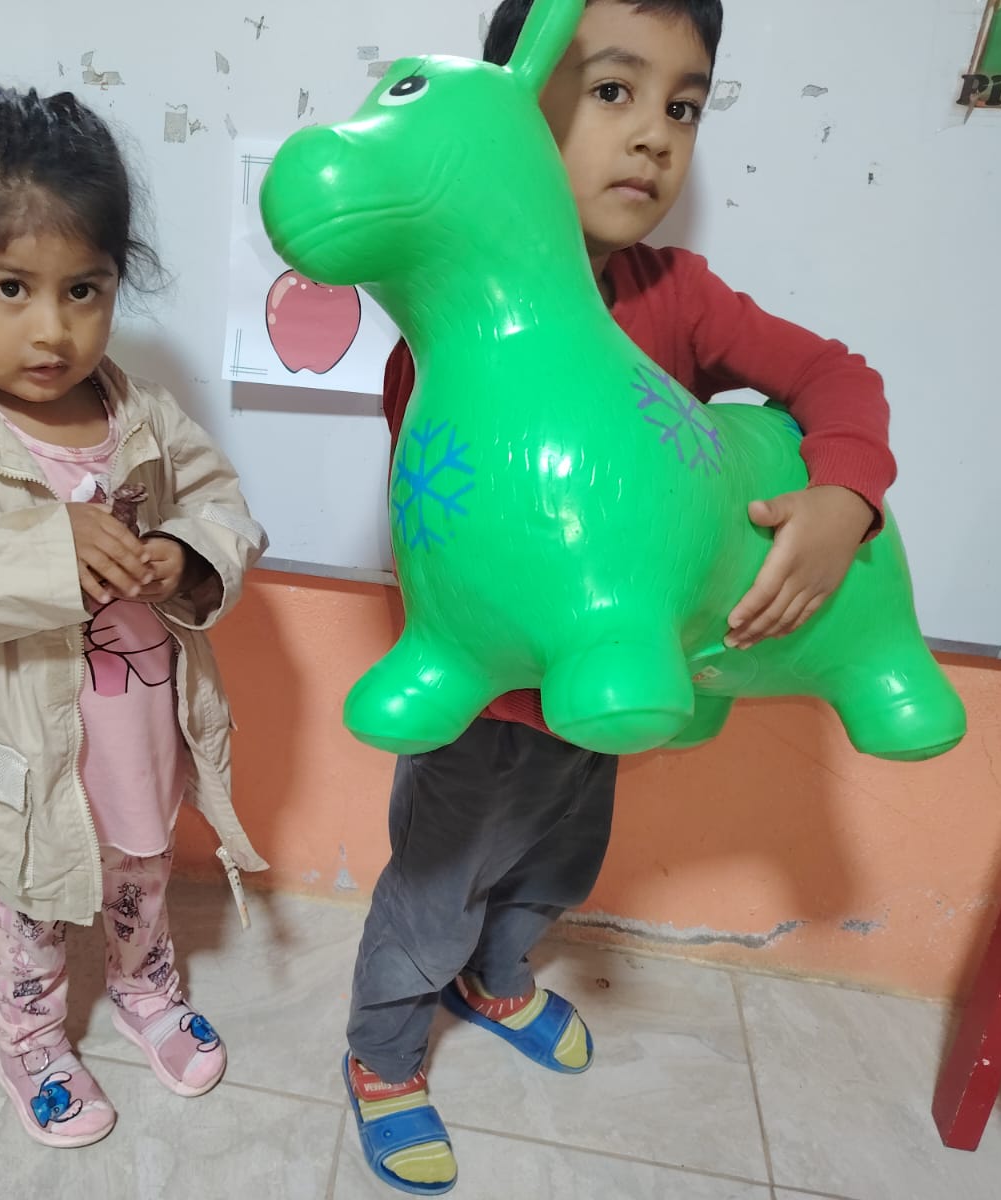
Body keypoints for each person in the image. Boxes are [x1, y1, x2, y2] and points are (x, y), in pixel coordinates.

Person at [342, 2, 897, 1192]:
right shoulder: (445, 326)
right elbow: (455, 533)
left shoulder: (677, 297)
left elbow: (831, 373)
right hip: (482, 708)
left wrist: (845, 492)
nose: (652, 134)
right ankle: (381, 1057)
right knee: (433, 890)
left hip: (608, 698)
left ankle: (498, 981)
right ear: (514, 107)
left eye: (681, 107)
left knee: (557, 865)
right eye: (611, 91)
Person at [0, 83, 267, 1149]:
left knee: (142, 868)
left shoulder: (141, 413)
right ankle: (29, 1041)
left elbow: (224, 508)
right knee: (30, 900)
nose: (52, 329)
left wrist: (187, 554)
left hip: (139, 725)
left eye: (83, 290)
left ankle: (145, 989)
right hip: (19, 755)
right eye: (11, 288)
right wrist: (39, 550)